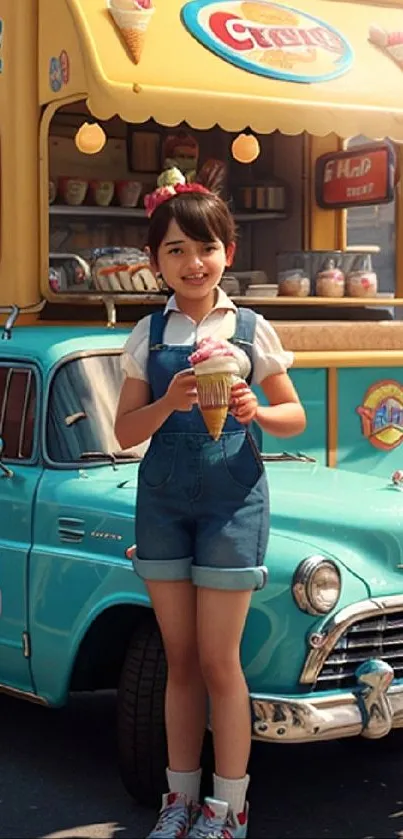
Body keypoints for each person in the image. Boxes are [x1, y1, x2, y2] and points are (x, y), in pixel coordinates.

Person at [114, 182, 306, 839]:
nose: (193, 261)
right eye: (175, 249)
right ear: (154, 259)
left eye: (206, 247)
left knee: (221, 661)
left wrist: (258, 408)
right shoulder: (148, 332)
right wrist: (168, 400)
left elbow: (293, 416)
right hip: (163, 501)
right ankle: (179, 801)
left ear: (227, 251)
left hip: (232, 502)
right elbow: (124, 432)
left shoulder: (251, 328)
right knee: (180, 657)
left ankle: (227, 808)